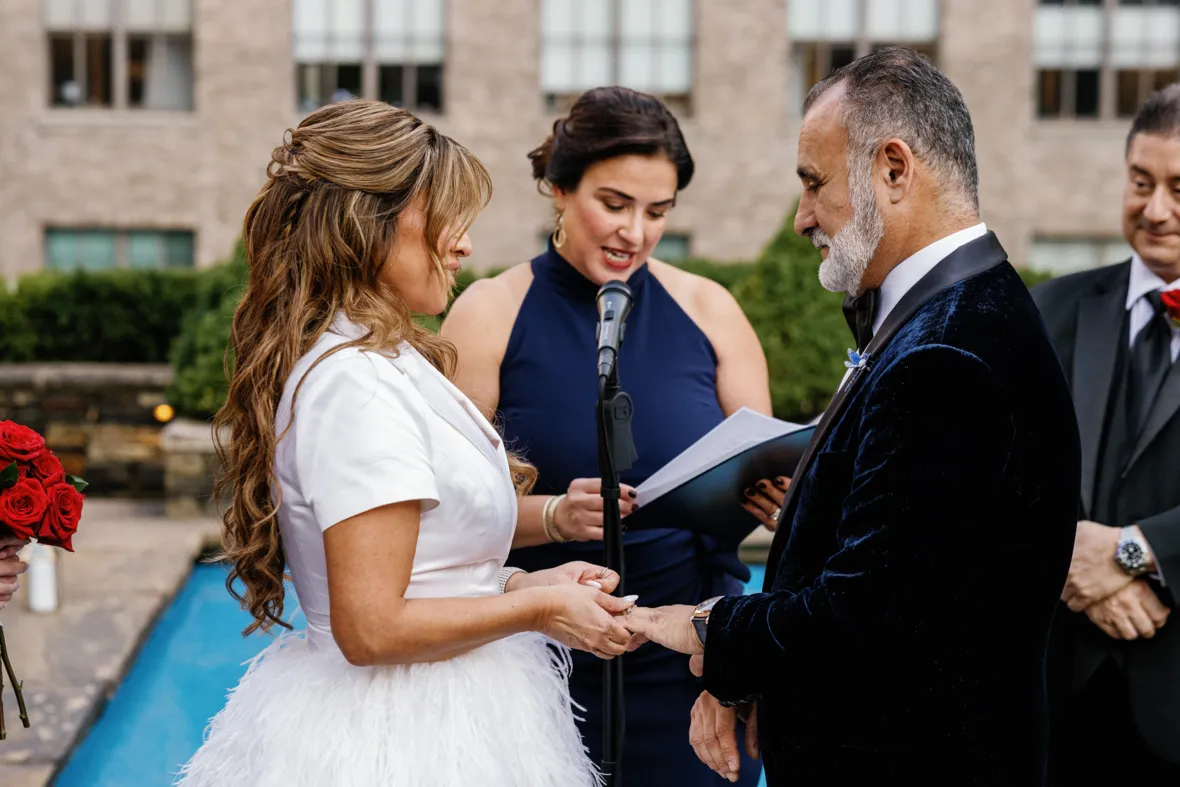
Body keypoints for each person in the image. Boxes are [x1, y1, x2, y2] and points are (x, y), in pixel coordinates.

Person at [620, 48, 1082, 785]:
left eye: (813, 182)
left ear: (894, 170)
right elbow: (915, 566)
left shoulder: (947, 353)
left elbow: (868, 615)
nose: (803, 216)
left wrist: (711, 627)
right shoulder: (957, 314)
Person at [175, 100, 637, 787]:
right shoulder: (353, 384)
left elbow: (435, 570)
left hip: (459, 714)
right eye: (445, 216)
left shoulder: (387, 361)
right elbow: (372, 628)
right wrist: (539, 608)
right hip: (397, 740)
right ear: (369, 225)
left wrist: (527, 577)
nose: (463, 243)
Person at [441, 85, 772, 785]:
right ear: (559, 188)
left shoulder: (711, 309)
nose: (636, 233)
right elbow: (443, 522)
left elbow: (760, 479)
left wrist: (778, 495)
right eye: (614, 204)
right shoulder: (488, 313)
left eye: (658, 212)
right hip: (535, 668)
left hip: (689, 672)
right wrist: (556, 516)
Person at [1032, 84, 1180, 786]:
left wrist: (1137, 552)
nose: (1156, 210)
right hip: (1056, 706)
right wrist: (1067, 551)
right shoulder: (1050, 307)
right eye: (1141, 182)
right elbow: (990, 474)